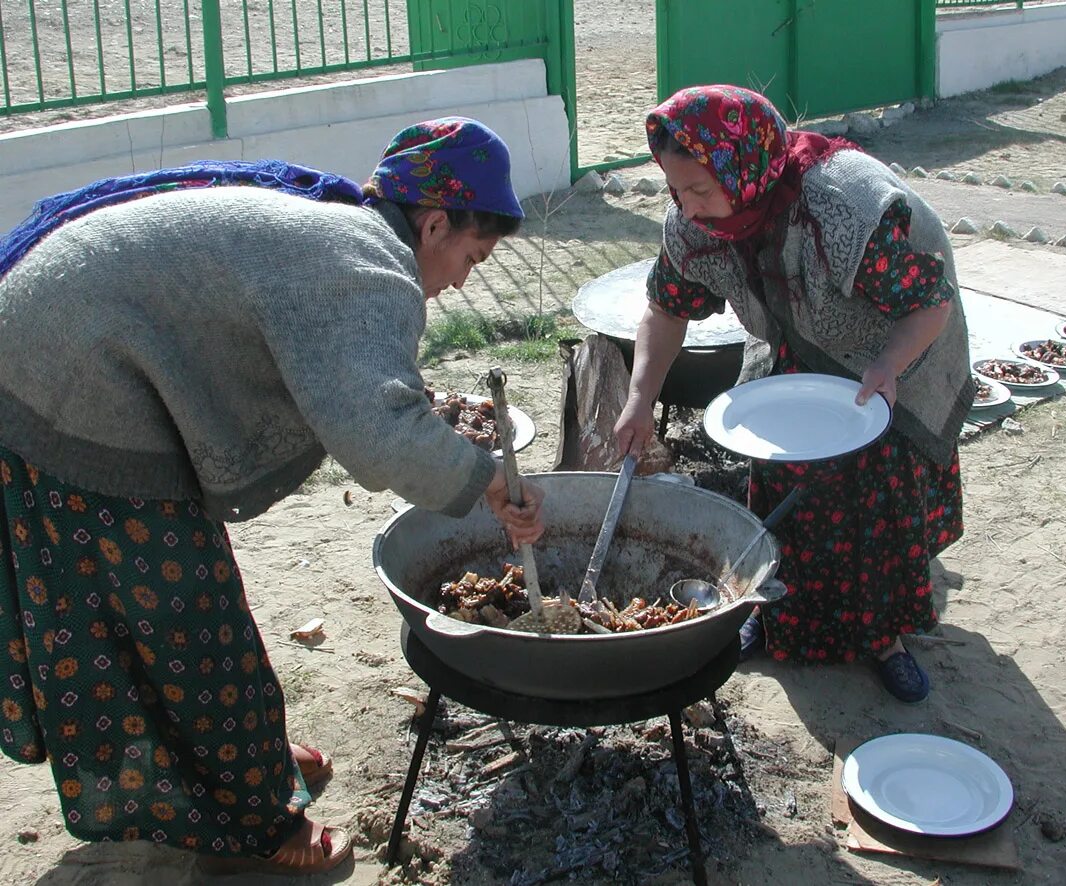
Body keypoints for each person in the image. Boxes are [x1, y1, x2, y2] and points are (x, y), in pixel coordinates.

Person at [0, 117, 545, 874]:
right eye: (471, 256)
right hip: (64, 376)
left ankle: (233, 760)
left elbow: (358, 382)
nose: (461, 279)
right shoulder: (364, 267)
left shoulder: (348, 237)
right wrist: (486, 478)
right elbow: (376, 431)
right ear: (433, 223)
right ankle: (253, 818)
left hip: (58, 343)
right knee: (186, 611)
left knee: (157, 602)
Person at [614, 86, 972, 704]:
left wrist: (888, 366)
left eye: (700, 189)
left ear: (743, 166)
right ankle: (776, 617)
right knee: (784, 488)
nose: (688, 206)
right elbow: (665, 309)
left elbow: (929, 302)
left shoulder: (842, 206)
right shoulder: (695, 225)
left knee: (871, 499)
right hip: (796, 346)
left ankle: (882, 638)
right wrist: (640, 396)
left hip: (889, 351)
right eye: (677, 190)